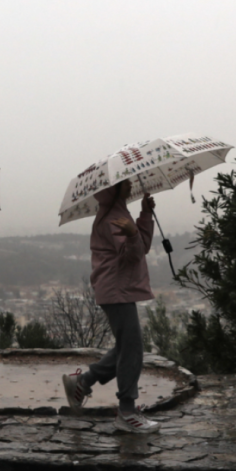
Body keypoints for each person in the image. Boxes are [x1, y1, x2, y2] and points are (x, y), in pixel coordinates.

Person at [61, 179, 160, 433]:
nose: (130, 185)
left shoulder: (118, 212)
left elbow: (142, 247)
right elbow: (133, 254)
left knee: (128, 345)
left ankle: (83, 381)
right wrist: (133, 232)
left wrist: (145, 216)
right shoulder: (112, 217)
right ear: (113, 189)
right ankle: (126, 412)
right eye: (124, 183)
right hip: (117, 288)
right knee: (132, 347)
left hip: (119, 287)